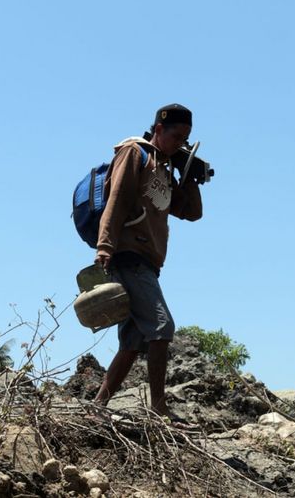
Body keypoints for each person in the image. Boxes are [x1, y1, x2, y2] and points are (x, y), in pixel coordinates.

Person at [94, 103, 203, 421]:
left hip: (149, 262)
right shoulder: (135, 153)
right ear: (158, 129)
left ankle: (98, 407)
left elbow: (192, 213)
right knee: (162, 326)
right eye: (176, 136)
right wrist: (104, 247)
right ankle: (159, 408)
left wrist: (190, 175)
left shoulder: (166, 170)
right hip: (128, 256)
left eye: (186, 139)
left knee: (132, 341)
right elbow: (117, 199)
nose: (180, 143)